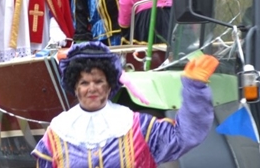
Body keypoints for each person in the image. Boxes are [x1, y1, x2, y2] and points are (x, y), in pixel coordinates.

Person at [31, 42, 217, 167]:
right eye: (84, 83)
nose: (92, 89)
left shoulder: (135, 125)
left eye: (98, 81)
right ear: (75, 87)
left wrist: (195, 90)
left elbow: (183, 138)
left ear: (110, 84)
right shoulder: (58, 132)